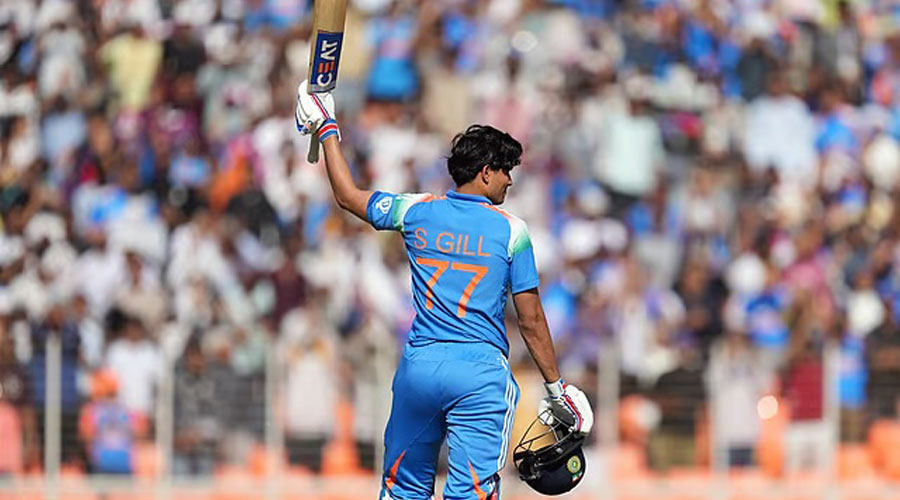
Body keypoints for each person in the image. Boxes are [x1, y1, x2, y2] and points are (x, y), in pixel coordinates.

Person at [295, 81, 594, 499]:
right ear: (485, 172)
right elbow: (530, 319)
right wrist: (556, 388)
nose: (509, 181)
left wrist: (326, 127)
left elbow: (347, 197)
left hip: (420, 368)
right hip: (480, 374)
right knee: (471, 493)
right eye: (505, 171)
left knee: (402, 490)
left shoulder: (417, 210)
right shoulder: (513, 232)